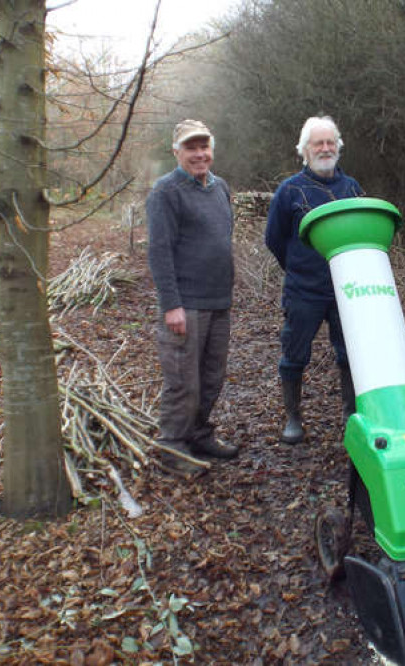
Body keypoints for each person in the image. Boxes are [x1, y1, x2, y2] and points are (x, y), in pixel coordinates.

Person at [146, 119, 239, 474]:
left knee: (212, 377)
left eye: (204, 147)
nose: (199, 154)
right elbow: (160, 252)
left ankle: (199, 434)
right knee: (184, 382)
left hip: (218, 302)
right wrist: (172, 305)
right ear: (176, 152)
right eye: (191, 148)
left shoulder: (220, 188)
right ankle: (171, 448)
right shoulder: (165, 192)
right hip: (186, 306)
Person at [265, 115, 364, 444]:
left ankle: (352, 414)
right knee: (294, 354)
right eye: (317, 143)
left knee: (350, 354)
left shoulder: (352, 189)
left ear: (338, 146)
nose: (325, 148)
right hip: (303, 292)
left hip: (346, 291)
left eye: (330, 142)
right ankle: (293, 417)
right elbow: (274, 239)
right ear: (304, 150)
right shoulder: (289, 190)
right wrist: (298, 267)